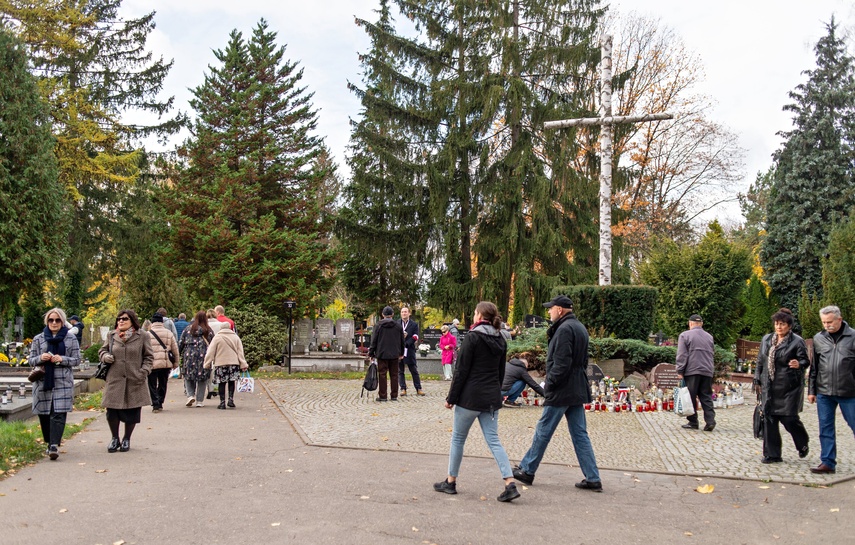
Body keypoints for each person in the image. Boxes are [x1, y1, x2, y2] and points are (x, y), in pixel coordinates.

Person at [513, 295, 602, 492]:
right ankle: (593, 477)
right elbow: (582, 361)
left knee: (544, 429)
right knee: (580, 434)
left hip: (562, 388)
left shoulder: (564, 329)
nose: (548, 312)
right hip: (576, 387)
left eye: (550, 308)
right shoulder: (579, 327)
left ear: (560, 310)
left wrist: (549, 384)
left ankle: (527, 470)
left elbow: (561, 363)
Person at [434, 301, 520, 502]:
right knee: (494, 441)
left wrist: (451, 398)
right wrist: (498, 393)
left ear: (480, 316)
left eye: (474, 313)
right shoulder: (500, 338)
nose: (473, 316)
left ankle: (451, 481)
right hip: (490, 398)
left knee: (458, 439)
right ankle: (510, 483)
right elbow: (501, 372)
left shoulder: (473, 337)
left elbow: (461, 371)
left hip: (469, 398)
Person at [753, 308, 810, 463]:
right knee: (769, 420)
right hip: (769, 386)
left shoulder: (797, 341)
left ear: (789, 326)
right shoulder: (767, 339)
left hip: (789, 387)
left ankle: (802, 442)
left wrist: (799, 363)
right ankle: (772, 454)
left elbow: (806, 361)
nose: (779, 327)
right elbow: (760, 361)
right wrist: (757, 379)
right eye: (777, 324)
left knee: (789, 419)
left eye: (783, 324)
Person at [27, 308, 81, 460]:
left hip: (62, 381)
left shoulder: (70, 339)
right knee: (44, 414)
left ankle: (54, 445)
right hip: (43, 382)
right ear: (47, 322)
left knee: (58, 413)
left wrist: (62, 359)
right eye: (51, 320)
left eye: (57, 320)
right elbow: (31, 360)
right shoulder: (38, 339)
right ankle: (48, 442)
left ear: (62, 322)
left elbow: (77, 360)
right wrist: (40, 358)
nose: (54, 323)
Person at [808, 305, 855, 474]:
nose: (827, 325)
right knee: (825, 427)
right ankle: (827, 462)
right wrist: (812, 391)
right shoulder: (819, 339)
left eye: (829, 322)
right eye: (824, 322)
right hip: (824, 392)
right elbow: (815, 368)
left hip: (849, 392)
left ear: (839, 319)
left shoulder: (853, 337)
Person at [99, 310, 154, 453]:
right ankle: (114, 438)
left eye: (124, 319)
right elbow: (102, 351)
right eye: (119, 319)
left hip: (134, 378)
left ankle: (127, 438)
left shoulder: (142, 335)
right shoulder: (112, 335)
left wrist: (144, 372)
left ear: (132, 321)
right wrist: (105, 356)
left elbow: (149, 356)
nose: (121, 321)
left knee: (132, 412)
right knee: (112, 411)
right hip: (115, 379)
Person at [675, 314, 716, 432]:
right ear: (701, 324)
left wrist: (680, 370)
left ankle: (693, 422)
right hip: (707, 370)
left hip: (692, 370)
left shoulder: (685, 335)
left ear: (690, 323)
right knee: (706, 396)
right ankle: (710, 421)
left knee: (690, 396)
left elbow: (682, 354)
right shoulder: (709, 337)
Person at [204, 322, 248, 409]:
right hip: (233, 363)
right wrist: (243, 363)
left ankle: (222, 402)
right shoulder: (235, 337)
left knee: (222, 383)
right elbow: (240, 352)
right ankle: (231, 399)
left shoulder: (217, 337)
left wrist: (207, 363)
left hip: (221, 363)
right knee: (232, 381)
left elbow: (211, 351)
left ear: (221, 328)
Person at [368, 306, 404, 401]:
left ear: (383, 315)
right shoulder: (398, 326)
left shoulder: (378, 325)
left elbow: (374, 340)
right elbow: (402, 341)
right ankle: (394, 395)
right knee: (394, 375)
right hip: (394, 353)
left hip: (382, 353)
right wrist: (401, 353)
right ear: (392, 314)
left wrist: (371, 353)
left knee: (382, 374)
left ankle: (383, 395)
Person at [180, 311, 215, 407]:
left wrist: (178, 355)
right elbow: (213, 344)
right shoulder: (208, 330)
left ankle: (190, 395)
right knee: (202, 379)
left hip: (189, 356)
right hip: (203, 357)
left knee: (188, 376)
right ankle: (199, 401)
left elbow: (181, 343)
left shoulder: (188, 329)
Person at [147, 313, 180, 413]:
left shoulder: (147, 334)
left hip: (152, 363)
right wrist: (176, 363)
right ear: (162, 322)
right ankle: (160, 402)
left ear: (152, 322)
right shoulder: (168, 333)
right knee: (163, 383)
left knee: (151, 384)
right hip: (166, 363)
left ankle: (155, 404)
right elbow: (175, 349)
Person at [398, 306, 423, 396]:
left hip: (410, 349)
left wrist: (407, 343)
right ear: (401, 313)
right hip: (399, 350)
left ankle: (418, 388)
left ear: (409, 313)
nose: (404, 313)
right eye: (402, 312)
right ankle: (403, 388)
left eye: (405, 312)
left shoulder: (414, 324)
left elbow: (416, 336)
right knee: (400, 371)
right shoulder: (397, 323)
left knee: (413, 370)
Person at [205, 309, 223, 400]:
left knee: (208, 367)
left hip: (207, 347)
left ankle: (210, 388)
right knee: (217, 368)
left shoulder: (205, 325)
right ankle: (217, 387)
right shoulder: (220, 324)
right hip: (219, 348)